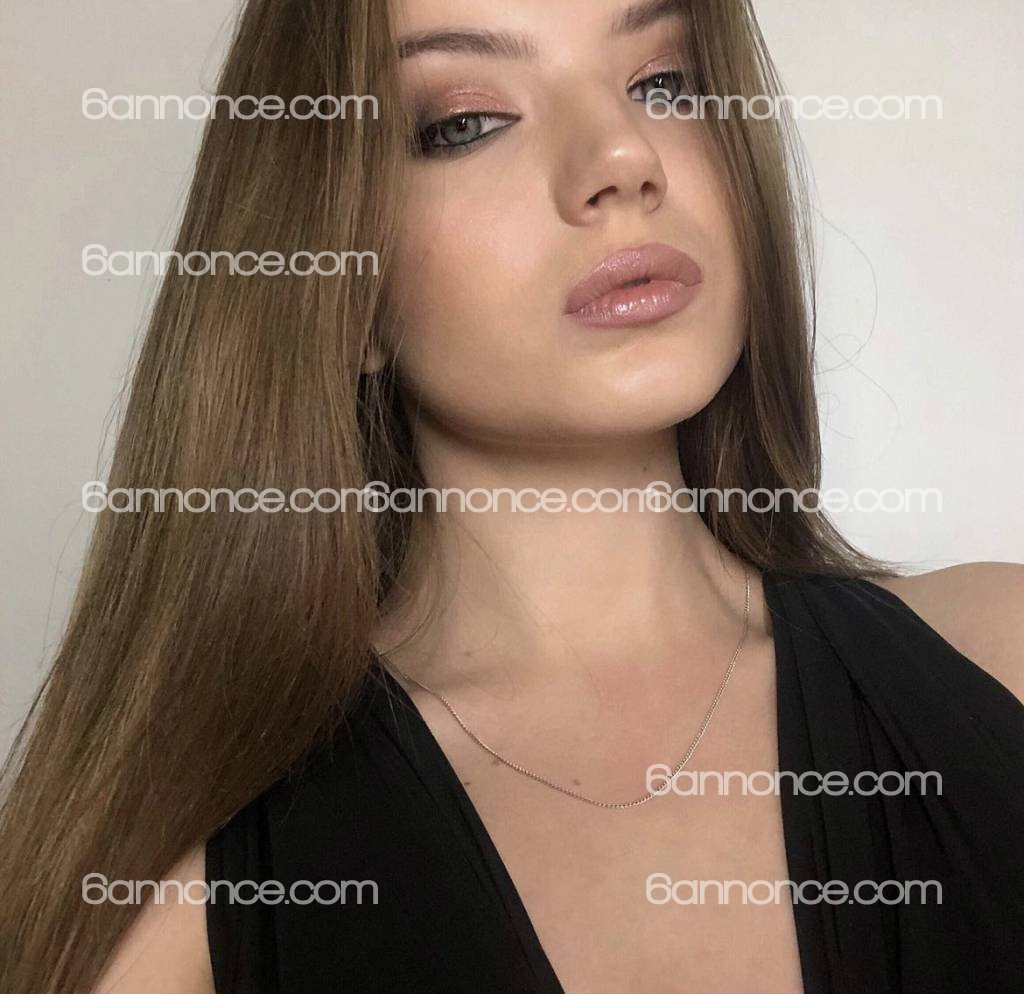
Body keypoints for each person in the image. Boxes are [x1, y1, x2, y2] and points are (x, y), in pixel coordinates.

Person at [1, 1, 1021, 992]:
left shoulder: (1001, 661)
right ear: (341, 284)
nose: (623, 155)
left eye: (666, 83)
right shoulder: (185, 912)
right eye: (466, 123)